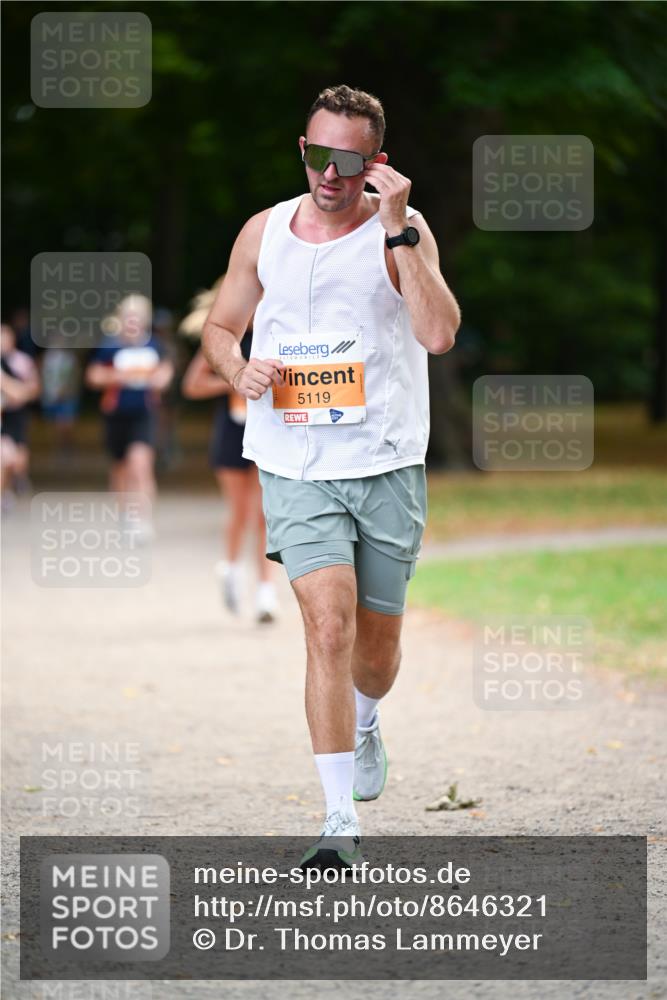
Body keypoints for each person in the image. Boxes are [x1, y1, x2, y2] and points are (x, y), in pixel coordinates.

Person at [202, 85, 460, 867]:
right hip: (292, 460)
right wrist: (238, 369)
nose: (329, 175)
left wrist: (397, 235)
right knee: (327, 626)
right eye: (318, 156)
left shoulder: (403, 233)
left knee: (374, 649)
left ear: (375, 164)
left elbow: (439, 334)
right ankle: (338, 821)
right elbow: (219, 327)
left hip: (382, 461)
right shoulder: (265, 231)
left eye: (348, 162)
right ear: (303, 151)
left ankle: (368, 716)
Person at [180, 281, 278, 623]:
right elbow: (191, 385)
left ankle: (266, 594)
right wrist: (235, 378)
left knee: (266, 514)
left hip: (269, 434)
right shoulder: (226, 340)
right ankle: (232, 569)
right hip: (232, 432)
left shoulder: (278, 334)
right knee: (240, 513)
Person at [85, 295, 174, 536]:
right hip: (116, 414)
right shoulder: (109, 346)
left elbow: (166, 371)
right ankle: (125, 514)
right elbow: (93, 376)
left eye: (137, 318)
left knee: (141, 464)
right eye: (128, 318)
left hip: (144, 413)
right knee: (120, 468)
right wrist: (118, 377)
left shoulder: (154, 345)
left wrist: (159, 379)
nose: (132, 323)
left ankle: (143, 519)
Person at [1, 322, 40, 507]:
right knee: (6, 457)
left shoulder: (22, 361)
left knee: (17, 460)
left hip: (16, 416)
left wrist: (21, 393)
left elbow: (33, 388)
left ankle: (12, 485)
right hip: (3, 416)